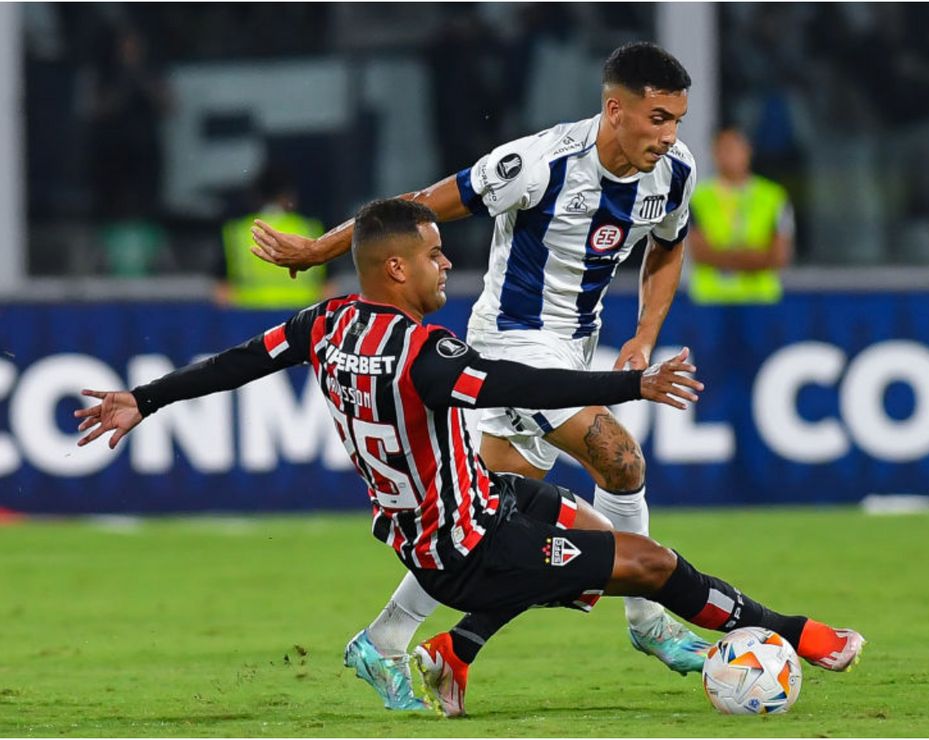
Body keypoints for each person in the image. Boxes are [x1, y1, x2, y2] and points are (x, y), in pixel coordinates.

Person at [75, 199, 865, 718]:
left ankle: (450, 649)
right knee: (651, 565)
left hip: (449, 516)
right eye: (432, 254)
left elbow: (241, 359)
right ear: (396, 268)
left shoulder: (326, 323)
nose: (445, 264)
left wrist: (143, 399)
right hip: (469, 547)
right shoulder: (425, 351)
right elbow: (520, 379)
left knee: (573, 524)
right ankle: (797, 633)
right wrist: (634, 382)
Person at [249, 42, 719, 706]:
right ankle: (650, 621)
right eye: (658, 118)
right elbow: (415, 208)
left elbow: (669, 247)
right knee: (622, 461)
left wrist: (644, 335)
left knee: (484, 521)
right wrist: (319, 249)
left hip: (574, 346)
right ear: (616, 110)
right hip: (511, 346)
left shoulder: (673, 172)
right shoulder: (537, 162)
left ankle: (386, 641)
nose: (670, 135)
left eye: (677, 120)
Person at [686, 126, 795, 305]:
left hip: (760, 299)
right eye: (722, 149)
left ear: (748, 151)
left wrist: (724, 258)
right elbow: (699, 252)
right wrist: (752, 258)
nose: (728, 156)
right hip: (712, 300)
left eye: (733, 148)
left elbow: (779, 255)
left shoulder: (773, 196)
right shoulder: (699, 198)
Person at [215, 165, 328, 309]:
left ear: (255, 196)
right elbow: (328, 288)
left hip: (250, 318)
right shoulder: (310, 229)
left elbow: (222, 292)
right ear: (290, 196)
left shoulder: (236, 232)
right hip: (301, 319)